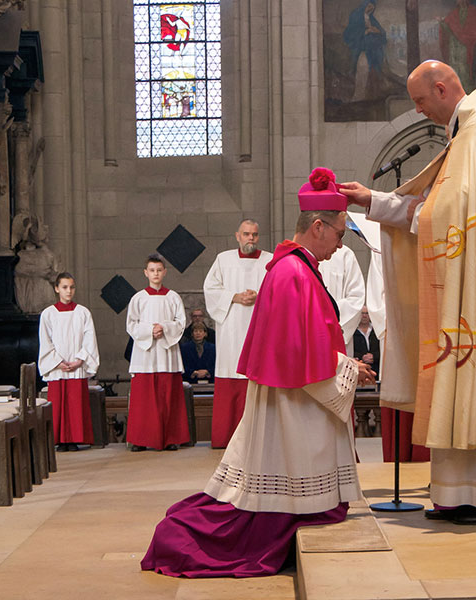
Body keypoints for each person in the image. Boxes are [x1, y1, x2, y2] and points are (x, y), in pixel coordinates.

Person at [141, 167, 374, 578]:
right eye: (339, 236)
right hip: (292, 408)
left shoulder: (294, 268)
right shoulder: (292, 273)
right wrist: (349, 367)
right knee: (257, 519)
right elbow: (299, 353)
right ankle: (184, 538)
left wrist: (346, 364)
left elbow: (307, 345)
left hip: (297, 404)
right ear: (317, 227)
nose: (340, 247)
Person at [341, 60, 476, 525]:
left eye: (420, 101)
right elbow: (443, 208)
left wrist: (385, 207)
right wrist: (373, 201)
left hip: (475, 290)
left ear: (441, 88)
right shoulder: (472, 130)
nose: (418, 110)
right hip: (473, 282)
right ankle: (467, 494)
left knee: (475, 384)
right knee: (469, 384)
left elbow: (444, 216)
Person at [203, 219, 272, 448]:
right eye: (246, 234)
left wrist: (258, 296)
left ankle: (258, 440)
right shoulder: (224, 259)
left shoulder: (270, 260)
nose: (250, 239)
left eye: (254, 235)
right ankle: (226, 437)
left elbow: (279, 290)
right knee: (231, 372)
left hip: (260, 330)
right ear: (237, 236)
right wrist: (235, 297)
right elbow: (210, 289)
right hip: (231, 331)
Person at [126, 254, 188, 452]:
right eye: (152, 270)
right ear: (146, 273)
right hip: (145, 354)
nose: (155, 274)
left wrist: (165, 328)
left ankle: (170, 438)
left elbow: (181, 322)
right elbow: (131, 324)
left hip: (167, 353)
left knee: (167, 396)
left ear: (165, 272)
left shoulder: (173, 297)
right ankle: (140, 439)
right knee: (143, 399)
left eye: (159, 270)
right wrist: (149, 331)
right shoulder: (138, 298)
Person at [38, 272, 99, 452]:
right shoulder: (48, 314)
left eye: (72, 287)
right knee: (57, 405)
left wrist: (80, 359)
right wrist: (57, 362)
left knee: (75, 404)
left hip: (76, 365)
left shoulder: (83, 312)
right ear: (57, 289)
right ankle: (59, 440)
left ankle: (74, 439)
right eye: (64, 287)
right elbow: (45, 341)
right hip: (58, 367)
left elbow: (89, 339)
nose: (68, 291)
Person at [318, 244, 365, 354]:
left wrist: (329, 324)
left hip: (339, 335)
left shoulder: (344, 254)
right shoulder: (298, 257)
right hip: (306, 338)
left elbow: (356, 298)